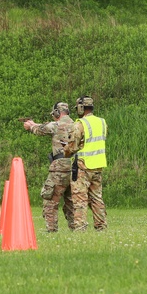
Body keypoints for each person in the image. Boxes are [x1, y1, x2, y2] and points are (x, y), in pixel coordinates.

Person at [23, 102, 76, 233]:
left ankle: (51, 229)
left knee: (50, 200)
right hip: (75, 166)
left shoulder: (56, 125)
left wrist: (30, 126)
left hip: (59, 167)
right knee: (71, 201)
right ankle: (76, 228)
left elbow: (41, 129)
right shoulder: (76, 124)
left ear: (57, 112)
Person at [65, 95, 107, 231]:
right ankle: (101, 226)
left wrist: (64, 151)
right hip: (98, 165)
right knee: (97, 198)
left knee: (79, 198)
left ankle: (80, 227)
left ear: (82, 108)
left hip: (83, 166)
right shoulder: (102, 122)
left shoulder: (79, 124)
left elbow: (72, 147)